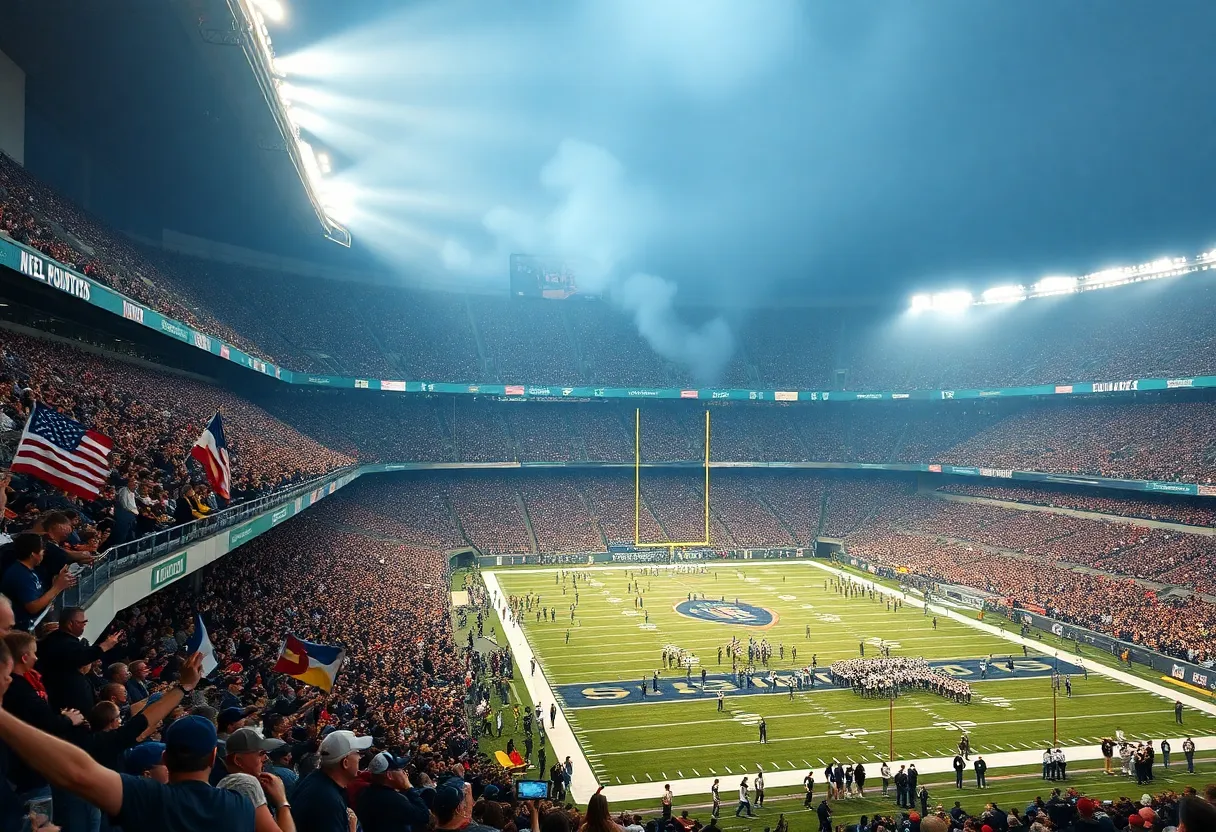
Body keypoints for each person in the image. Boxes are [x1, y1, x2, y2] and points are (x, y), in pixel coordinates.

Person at [0, 652, 263, 832]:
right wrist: (282, 804)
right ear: (212, 755)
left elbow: (78, 772)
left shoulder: (145, 796)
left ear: (165, 758)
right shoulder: (240, 804)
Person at [292, 730, 372, 832]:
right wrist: (352, 829)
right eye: (357, 753)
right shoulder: (327, 800)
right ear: (345, 763)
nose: (360, 757)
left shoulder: (316, 780)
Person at [0, 534, 74, 630]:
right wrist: (57, 587)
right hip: (21, 629)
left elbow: (40, 597)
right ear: (33, 554)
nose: (43, 553)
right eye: (41, 550)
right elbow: (33, 607)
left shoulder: (31, 570)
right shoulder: (20, 575)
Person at [353, 753, 429, 832]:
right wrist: (409, 788)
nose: (404, 773)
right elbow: (424, 816)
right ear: (389, 775)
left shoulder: (365, 793)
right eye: (399, 769)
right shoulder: (393, 800)